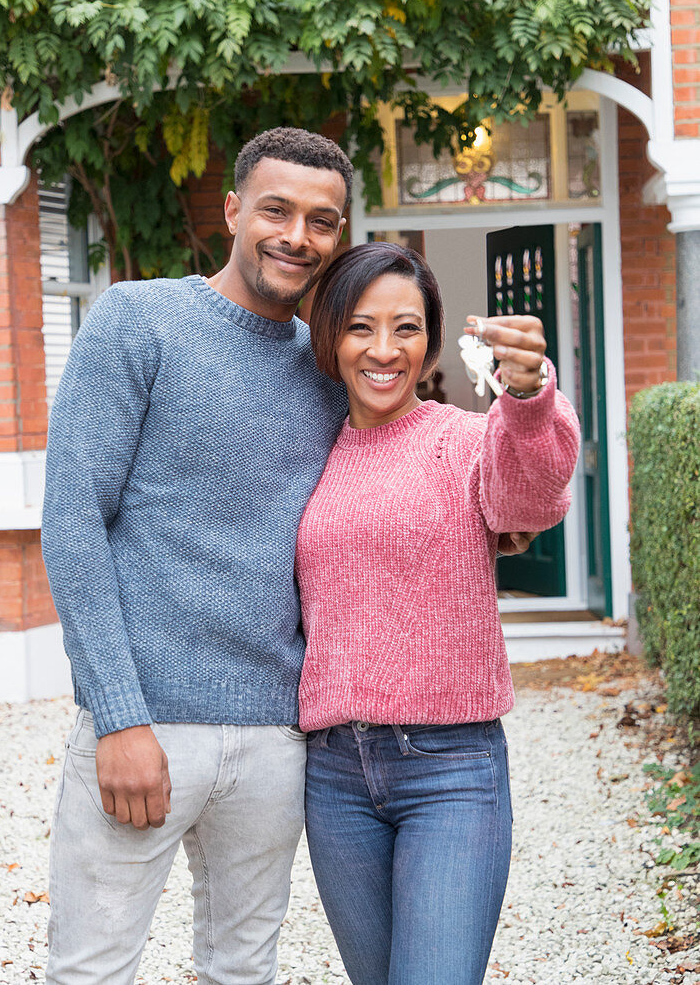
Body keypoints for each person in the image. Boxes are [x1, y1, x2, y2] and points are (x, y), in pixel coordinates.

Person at [40, 127, 354, 985]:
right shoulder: (138, 322)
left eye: (322, 221)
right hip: (145, 727)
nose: (298, 236)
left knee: (242, 968)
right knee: (92, 969)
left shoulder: (328, 367)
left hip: (275, 736)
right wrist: (118, 717)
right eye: (277, 210)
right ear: (232, 211)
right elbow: (73, 520)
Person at [295, 242, 581, 985]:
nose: (383, 350)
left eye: (406, 328)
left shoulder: (463, 440)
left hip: (450, 772)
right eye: (360, 327)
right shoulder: (305, 452)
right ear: (328, 336)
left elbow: (528, 499)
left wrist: (525, 397)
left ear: (431, 340)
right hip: (332, 777)